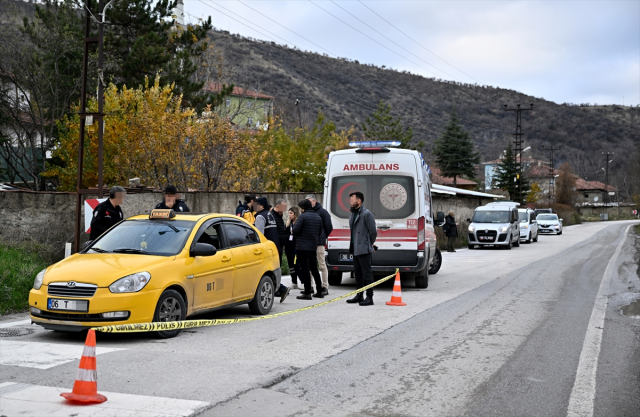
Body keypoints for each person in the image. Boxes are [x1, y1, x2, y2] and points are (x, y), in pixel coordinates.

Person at [254, 197, 290, 302]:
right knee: (273, 270)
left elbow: (259, 235)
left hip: (266, 248)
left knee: (265, 272)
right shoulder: (270, 215)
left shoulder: (260, 216)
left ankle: (279, 289)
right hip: (275, 247)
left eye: (256, 205)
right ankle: (280, 289)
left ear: (261, 206)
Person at [346, 191, 377, 306]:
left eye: (352, 199)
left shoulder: (366, 214)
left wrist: (368, 243)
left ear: (358, 201)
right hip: (355, 248)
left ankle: (370, 297)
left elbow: (373, 232)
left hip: (364, 248)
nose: (350, 201)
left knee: (367, 273)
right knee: (357, 273)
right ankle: (359, 295)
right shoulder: (352, 214)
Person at [292, 199, 323, 300]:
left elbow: (295, 230)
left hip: (302, 246)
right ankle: (319, 291)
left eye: (301, 208)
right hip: (313, 246)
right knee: (314, 268)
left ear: (303, 208)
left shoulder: (302, 217)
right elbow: (319, 232)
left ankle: (307, 292)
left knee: (305, 269)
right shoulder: (318, 217)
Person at [306, 194, 333, 296]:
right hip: (310, 242)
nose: (309, 203)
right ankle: (310, 286)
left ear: (315, 201)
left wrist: (322, 236)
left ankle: (325, 286)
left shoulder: (322, 212)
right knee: (309, 265)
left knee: (321, 264)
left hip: (319, 242)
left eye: (310, 201)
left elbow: (329, 227)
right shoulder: (308, 212)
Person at [285, 207, 300, 289]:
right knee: (290, 265)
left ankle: (303, 280)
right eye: (289, 213)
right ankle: (294, 282)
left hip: (296, 246)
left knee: (296, 264)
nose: (289, 215)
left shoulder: (298, 223)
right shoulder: (288, 223)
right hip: (288, 246)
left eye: (291, 213)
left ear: (295, 213)